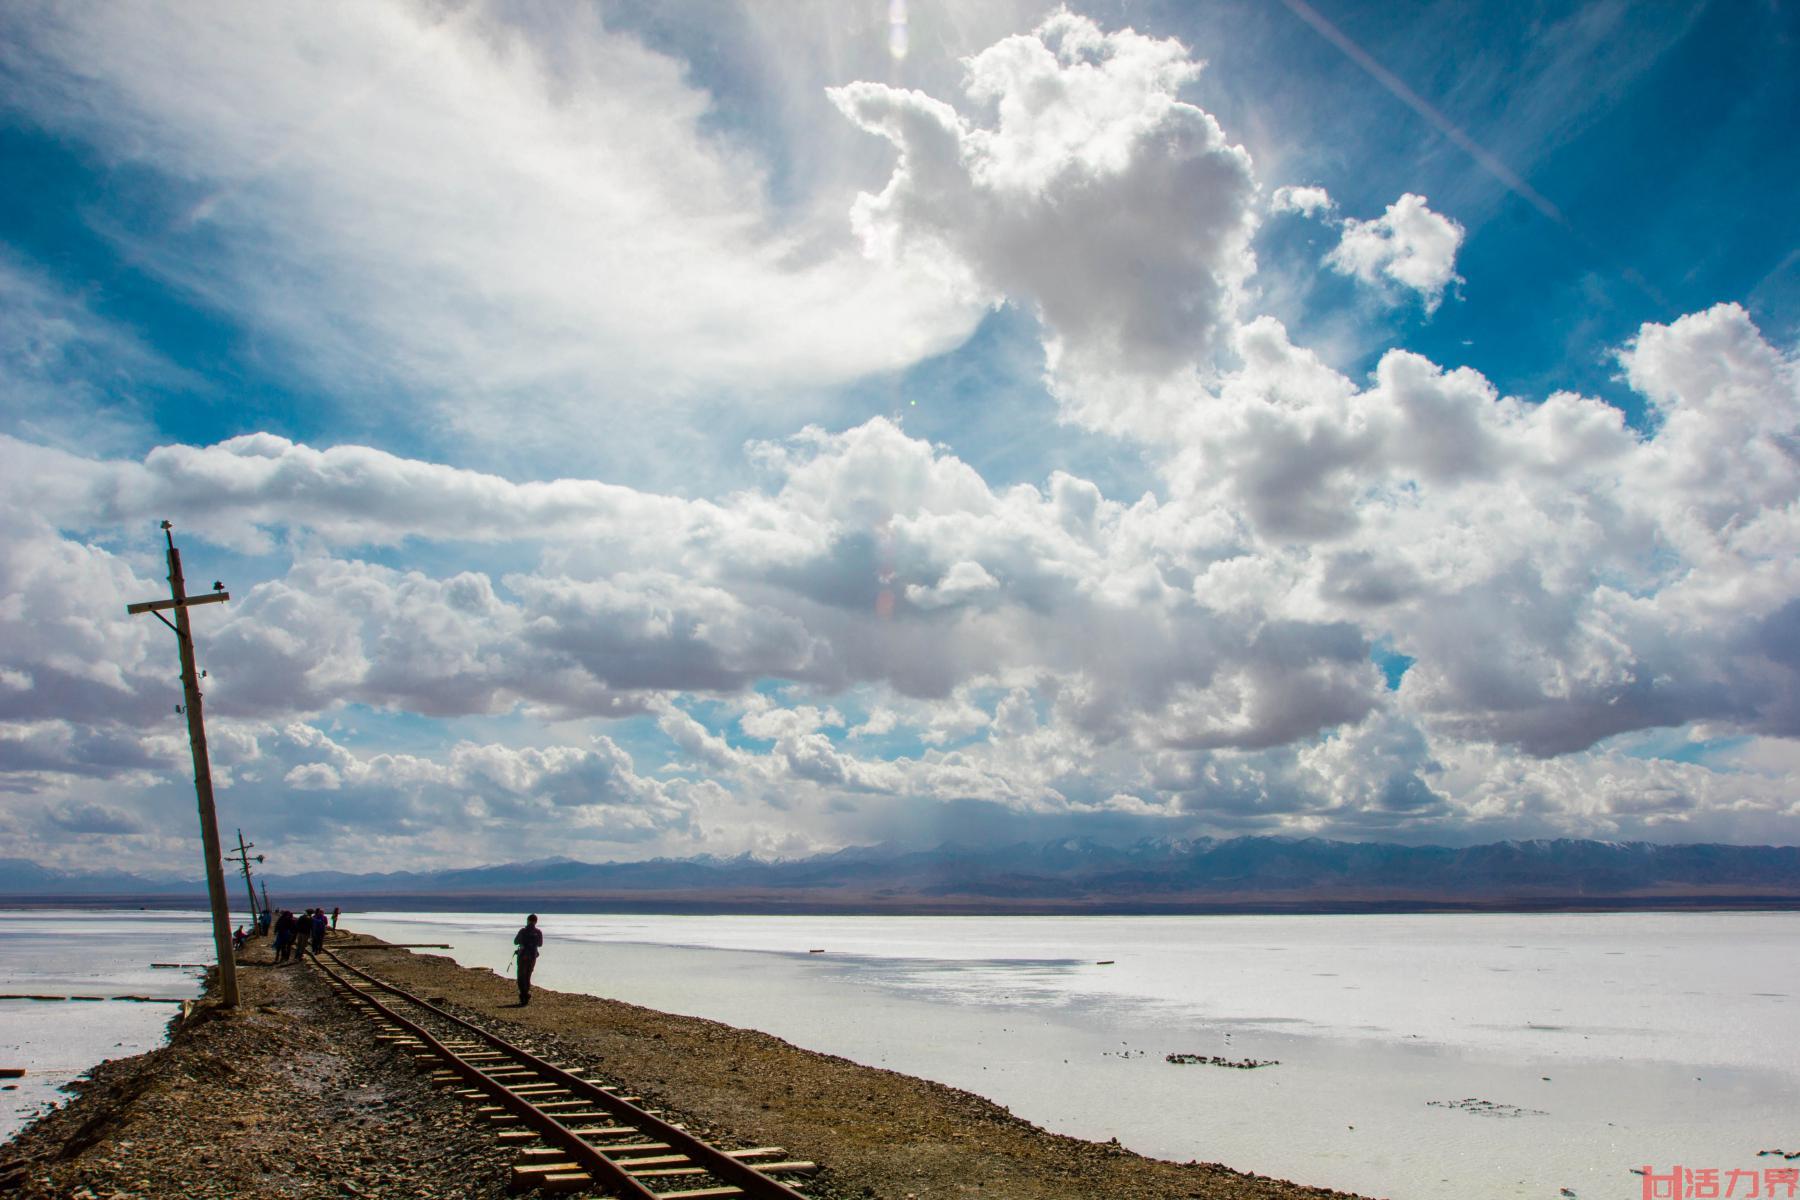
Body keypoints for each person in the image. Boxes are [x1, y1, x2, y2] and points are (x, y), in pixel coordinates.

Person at [512, 914, 543, 1006]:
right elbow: (540, 944)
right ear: (536, 922)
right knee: (528, 975)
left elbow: (515, 942)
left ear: (528, 921)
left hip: (522, 956)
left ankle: (524, 995)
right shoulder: (538, 932)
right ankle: (525, 995)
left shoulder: (523, 931)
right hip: (532, 956)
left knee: (521, 976)